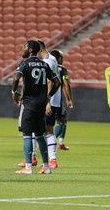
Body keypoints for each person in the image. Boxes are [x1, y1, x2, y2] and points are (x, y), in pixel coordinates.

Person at [12, 40, 60, 174]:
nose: (23, 49)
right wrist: (48, 96)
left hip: (29, 103)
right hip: (41, 104)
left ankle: (28, 167)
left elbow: (16, 78)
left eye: (24, 47)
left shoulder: (25, 64)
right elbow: (57, 82)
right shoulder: (45, 65)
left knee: (27, 135)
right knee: (40, 135)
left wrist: (13, 92)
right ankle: (46, 166)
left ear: (30, 49)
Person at [37, 40, 61, 168]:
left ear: (40, 49)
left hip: (49, 101)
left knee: (47, 129)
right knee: (45, 129)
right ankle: (48, 159)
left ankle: (52, 159)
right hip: (53, 100)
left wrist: (47, 102)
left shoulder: (48, 62)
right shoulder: (51, 59)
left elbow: (50, 82)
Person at [50, 49, 73, 150]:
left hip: (44, 100)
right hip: (56, 100)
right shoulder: (62, 69)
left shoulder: (47, 66)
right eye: (62, 57)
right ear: (58, 58)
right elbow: (66, 85)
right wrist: (69, 99)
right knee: (62, 121)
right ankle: (52, 142)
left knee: (46, 124)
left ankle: (60, 143)